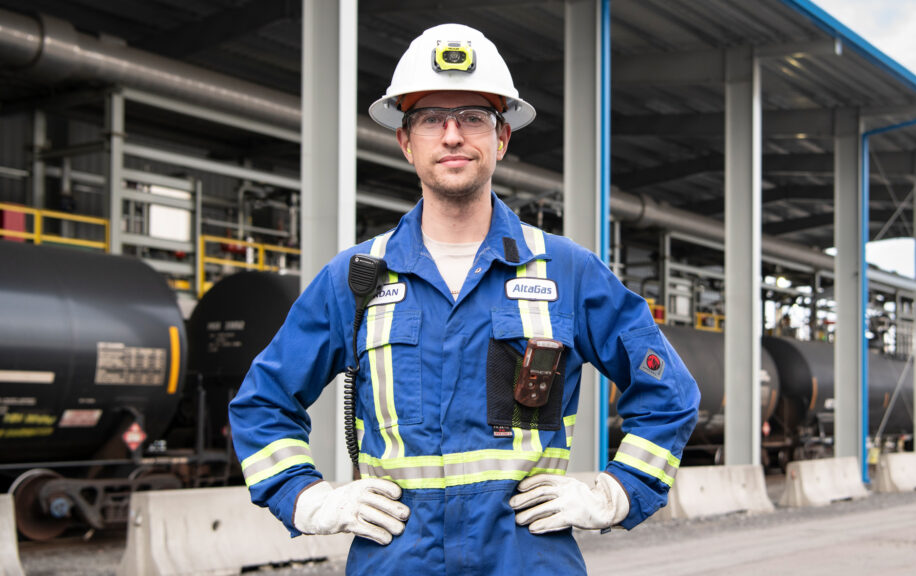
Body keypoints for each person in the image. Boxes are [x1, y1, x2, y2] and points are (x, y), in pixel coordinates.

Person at [229, 23, 700, 575]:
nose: (452, 135)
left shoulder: (568, 272)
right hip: (398, 561)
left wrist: (617, 492)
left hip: (527, 560)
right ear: (407, 142)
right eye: (431, 119)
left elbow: (669, 394)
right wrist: (305, 498)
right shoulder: (356, 279)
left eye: (473, 117)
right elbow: (263, 403)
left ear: (502, 138)